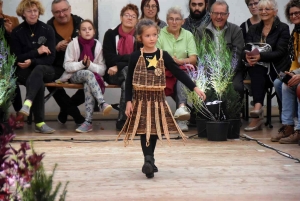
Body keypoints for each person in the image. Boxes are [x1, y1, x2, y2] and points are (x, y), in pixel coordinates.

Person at [117, 19, 206, 179]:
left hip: (158, 100)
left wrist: (194, 87)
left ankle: (150, 160)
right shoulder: (136, 56)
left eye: (154, 35)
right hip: (141, 99)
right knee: (144, 129)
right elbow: (129, 79)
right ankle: (148, 159)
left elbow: (178, 72)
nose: (152, 38)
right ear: (140, 38)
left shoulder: (162, 55)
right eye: (147, 35)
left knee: (155, 129)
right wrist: (128, 101)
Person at [56, 20, 112, 133]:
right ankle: (102, 103)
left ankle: (88, 122)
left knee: (88, 83)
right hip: (75, 75)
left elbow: (102, 69)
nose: (87, 31)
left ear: (94, 32)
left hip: (91, 78)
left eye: (90, 29)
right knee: (88, 73)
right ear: (79, 32)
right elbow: (66, 66)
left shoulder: (98, 45)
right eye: (84, 29)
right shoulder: (73, 44)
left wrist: (89, 65)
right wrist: (82, 64)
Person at [244, 0, 291, 131]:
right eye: (261, 9)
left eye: (267, 9)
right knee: (256, 67)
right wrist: (247, 55)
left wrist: (261, 56)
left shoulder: (283, 28)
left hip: (277, 67)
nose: (263, 12)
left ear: (275, 11)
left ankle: (257, 113)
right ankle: (258, 108)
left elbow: (281, 52)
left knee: (259, 68)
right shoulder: (254, 28)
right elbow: (246, 46)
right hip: (257, 67)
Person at [11, 0, 56, 134]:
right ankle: (40, 123)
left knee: (39, 70)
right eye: (29, 11)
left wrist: (31, 61)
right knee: (38, 83)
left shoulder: (47, 29)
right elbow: (16, 57)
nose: (33, 14)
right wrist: (37, 52)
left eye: (35, 11)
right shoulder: (17, 32)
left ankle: (27, 102)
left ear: (39, 12)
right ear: (23, 13)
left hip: (46, 69)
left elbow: (51, 58)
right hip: (24, 70)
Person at [197, 0, 245, 115]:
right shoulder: (201, 31)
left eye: (222, 14)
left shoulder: (235, 30)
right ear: (210, 14)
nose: (219, 17)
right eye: (216, 13)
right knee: (203, 87)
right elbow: (201, 56)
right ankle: (208, 116)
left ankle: (233, 115)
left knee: (236, 87)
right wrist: (213, 74)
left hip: (231, 71)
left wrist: (226, 74)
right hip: (209, 71)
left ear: (228, 15)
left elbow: (236, 55)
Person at [156, 6, 198, 132]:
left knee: (181, 81)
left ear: (182, 21)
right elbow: (156, 56)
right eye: (171, 19)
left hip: (183, 68)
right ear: (167, 20)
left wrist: (180, 61)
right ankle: (160, 119)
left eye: (177, 19)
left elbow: (193, 58)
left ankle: (182, 117)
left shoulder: (188, 35)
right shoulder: (160, 34)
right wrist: (169, 62)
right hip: (165, 68)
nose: (174, 22)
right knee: (158, 81)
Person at [47, 0, 85, 125]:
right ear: (52, 13)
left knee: (95, 82)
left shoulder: (81, 23)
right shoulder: (48, 26)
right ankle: (76, 114)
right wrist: (56, 48)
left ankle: (65, 111)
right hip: (57, 66)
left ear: (70, 9)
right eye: (57, 12)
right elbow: (44, 51)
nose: (62, 14)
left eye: (64, 10)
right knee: (46, 78)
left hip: (78, 66)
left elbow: (92, 43)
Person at [103, 3, 139, 130]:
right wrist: (122, 63)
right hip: (112, 74)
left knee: (126, 83)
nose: (130, 18)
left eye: (133, 16)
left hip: (130, 73)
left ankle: (122, 121)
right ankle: (129, 118)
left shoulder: (139, 37)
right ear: (121, 17)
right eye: (127, 15)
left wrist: (119, 65)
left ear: (137, 20)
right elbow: (109, 58)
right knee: (128, 72)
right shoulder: (110, 34)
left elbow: (139, 58)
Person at [271, 0, 300, 144]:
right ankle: (288, 125)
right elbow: (295, 60)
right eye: (291, 14)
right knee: (281, 83)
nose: (294, 16)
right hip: (299, 70)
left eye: (297, 13)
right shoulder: (296, 32)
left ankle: (299, 129)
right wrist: (292, 74)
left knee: (298, 86)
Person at [0, 0, 24, 129]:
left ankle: (19, 114)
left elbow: (16, 47)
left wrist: (10, 33)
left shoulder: (12, 20)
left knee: (11, 80)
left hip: (8, 64)